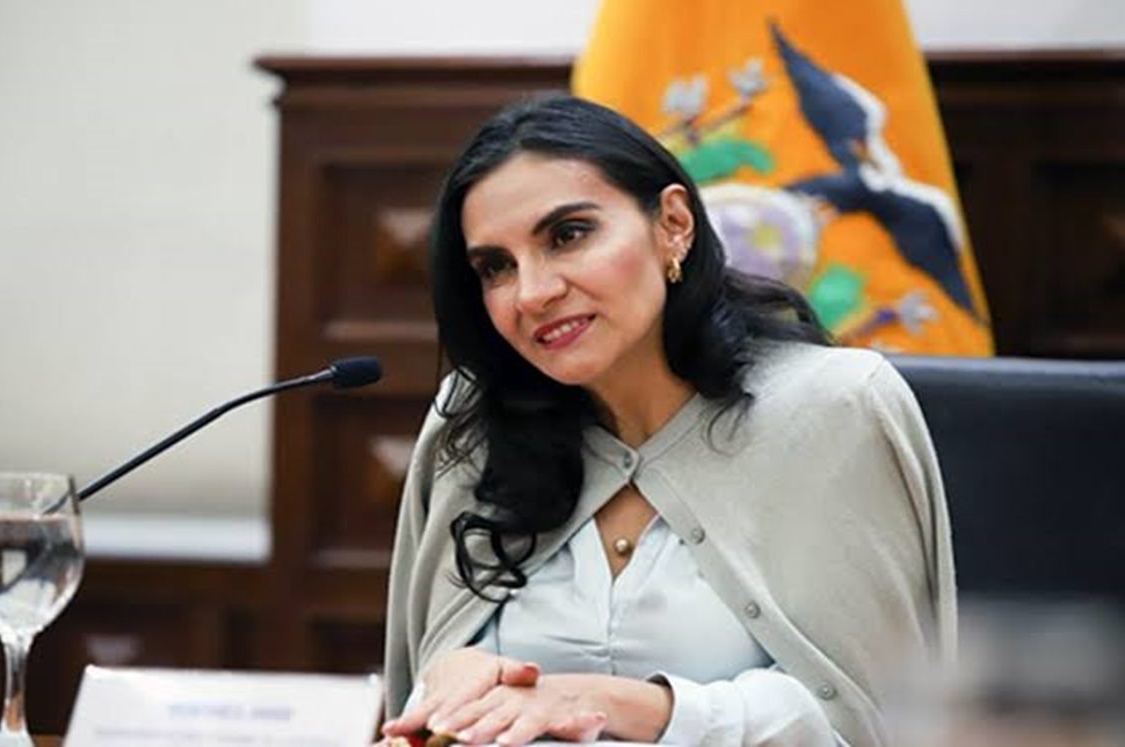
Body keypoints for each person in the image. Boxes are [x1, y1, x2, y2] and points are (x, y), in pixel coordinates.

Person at [378, 95, 955, 747]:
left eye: (568, 235)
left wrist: (612, 701)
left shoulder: (833, 409)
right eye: (496, 267)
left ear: (674, 225)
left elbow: (876, 721)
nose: (533, 293)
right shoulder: (475, 421)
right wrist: (449, 679)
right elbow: (420, 698)